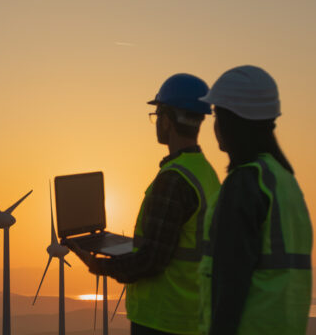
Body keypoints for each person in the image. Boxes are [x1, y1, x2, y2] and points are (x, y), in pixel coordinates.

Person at [66, 73, 221, 335]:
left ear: (168, 120)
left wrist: (96, 263)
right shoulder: (206, 174)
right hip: (194, 317)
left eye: (158, 114)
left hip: (162, 320)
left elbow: (151, 261)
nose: (156, 121)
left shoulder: (174, 180)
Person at [196, 65, 313, 335]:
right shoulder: (285, 182)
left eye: (217, 116)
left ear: (232, 121)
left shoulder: (244, 184)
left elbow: (230, 283)